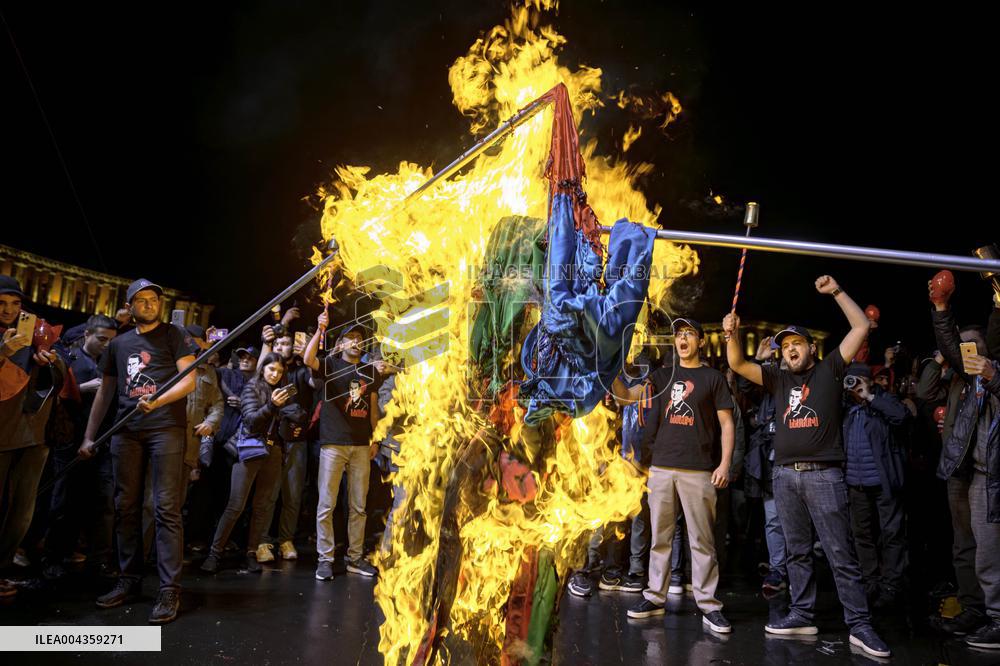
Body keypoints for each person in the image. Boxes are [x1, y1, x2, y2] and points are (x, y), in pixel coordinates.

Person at [724, 275, 891, 659]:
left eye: (796, 344)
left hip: (823, 476)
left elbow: (861, 326)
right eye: (785, 346)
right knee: (796, 551)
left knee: (839, 552)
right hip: (784, 476)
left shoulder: (830, 369)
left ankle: (860, 625)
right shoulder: (777, 378)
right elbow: (735, 362)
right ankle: (801, 613)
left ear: (811, 348)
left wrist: (835, 292)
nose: (790, 350)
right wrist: (731, 332)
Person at [80, 278, 198, 625]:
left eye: (153, 299)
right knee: (125, 506)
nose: (149, 304)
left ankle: (168, 587)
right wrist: (89, 437)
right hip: (126, 432)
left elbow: (189, 379)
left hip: (165, 429)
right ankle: (128, 579)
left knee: (165, 508)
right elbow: (105, 392)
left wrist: (158, 400)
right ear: (129, 307)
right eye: (141, 300)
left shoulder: (174, 335)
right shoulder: (119, 344)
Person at [614, 318, 735, 635]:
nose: (682, 339)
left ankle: (709, 604)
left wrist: (724, 465)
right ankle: (654, 597)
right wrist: (609, 368)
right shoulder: (662, 376)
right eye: (679, 335)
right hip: (662, 469)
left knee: (702, 541)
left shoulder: (712, 378)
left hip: (699, 471)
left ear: (701, 342)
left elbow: (727, 424)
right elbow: (626, 396)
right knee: (661, 539)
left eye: (689, 335)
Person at [926, 275, 1000, 649]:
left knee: (990, 549)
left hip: (992, 474)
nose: (967, 351)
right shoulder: (964, 376)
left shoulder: (991, 373)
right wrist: (941, 308)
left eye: (975, 345)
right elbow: (945, 354)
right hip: (969, 471)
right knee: (971, 547)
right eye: (963, 347)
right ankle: (980, 612)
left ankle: (997, 619)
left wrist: (995, 374)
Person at [200, 353, 305, 574]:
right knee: (235, 505)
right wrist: (273, 405)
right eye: (271, 370)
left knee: (262, 507)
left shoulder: (284, 391)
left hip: (274, 450)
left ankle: (250, 554)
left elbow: (292, 416)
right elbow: (250, 420)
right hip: (249, 450)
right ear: (263, 369)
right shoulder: (252, 388)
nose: (275, 374)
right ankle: (214, 554)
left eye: (279, 371)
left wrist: (293, 418)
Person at [303, 311, 382, 581]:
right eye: (350, 338)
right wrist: (319, 329)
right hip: (333, 444)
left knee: (359, 505)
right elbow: (307, 359)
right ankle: (325, 559)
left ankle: (355, 558)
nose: (355, 342)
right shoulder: (331, 365)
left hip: (361, 445)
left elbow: (372, 408)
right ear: (341, 344)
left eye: (359, 339)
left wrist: (377, 438)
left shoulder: (369, 371)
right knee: (327, 504)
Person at [0, 276, 65, 598]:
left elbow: (60, 383)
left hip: (34, 436)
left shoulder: (36, 335)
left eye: (15, 303)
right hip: (2, 435)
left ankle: (1, 569)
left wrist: (51, 361)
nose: (9, 310)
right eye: (2, 303)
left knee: (22, 511)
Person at [43, 314, 119, 581]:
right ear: (86, 335)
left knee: (103, 503)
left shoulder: (112, 363)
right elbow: (52, 395)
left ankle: (100, 560)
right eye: (102, 339)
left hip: (103, 443)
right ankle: (54, 557)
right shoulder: (70, 360)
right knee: (64, 503)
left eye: (111, 341)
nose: (107, 345)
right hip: (71, 441)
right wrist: (82, 388)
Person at [841, 363, 908, 608]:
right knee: (862, 535)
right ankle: (870, 581)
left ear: (870, 380)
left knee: (892, 534)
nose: (854, 385)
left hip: (884, 481)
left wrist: (869, 396)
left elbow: (901, 417)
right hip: (855, 483)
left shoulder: (883, 400)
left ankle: (892, 584)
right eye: (850, 380)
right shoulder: (846, 408)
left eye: (858, 380)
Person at [257, 310, 313, 562]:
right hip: (273, 439)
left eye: (287, 343)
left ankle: (285, 539)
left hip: (297, 440)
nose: (283, 346)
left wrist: (309, 352)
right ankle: (262, 541)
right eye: (278, 343)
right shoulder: (270, 371)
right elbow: (260, 384)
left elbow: (317, 387)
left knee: (292, 493)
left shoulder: (301, 371)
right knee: (269, 493)